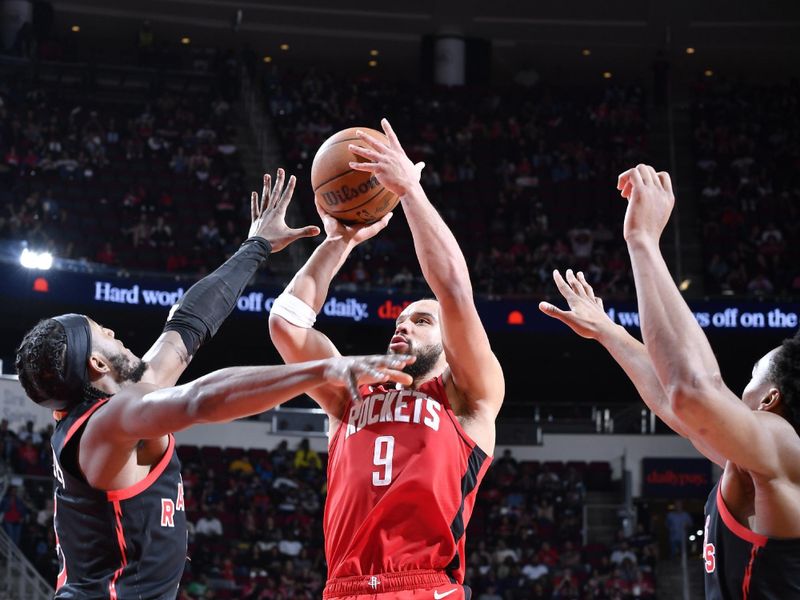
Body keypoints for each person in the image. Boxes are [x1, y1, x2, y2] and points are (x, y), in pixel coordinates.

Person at [15, 169, 415, 599]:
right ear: (96, 363)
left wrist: (258, 245)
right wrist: (321, 370)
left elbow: (187, 324)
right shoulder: (109, 423)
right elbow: (201, 399)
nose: (114, 332)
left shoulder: (113, 405)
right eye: (102, 332)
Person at [268, 119, 505, 599]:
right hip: (343, 588)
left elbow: (454, 290)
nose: (403, 324)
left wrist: (411, 193)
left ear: (448, 343)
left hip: (423, 587)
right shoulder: (350, 393)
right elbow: (287, 325)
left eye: (421, 321)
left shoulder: (468, 398)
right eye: (400, 319)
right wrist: (339, 242)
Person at [540, 164, 800, 599]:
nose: (742, 387)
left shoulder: (787, 447)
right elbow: (672, 400)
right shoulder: (758, 466)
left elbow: (694, 391)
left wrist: (643, 242)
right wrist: (609, 331)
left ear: (772, 399)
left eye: (754, 375)